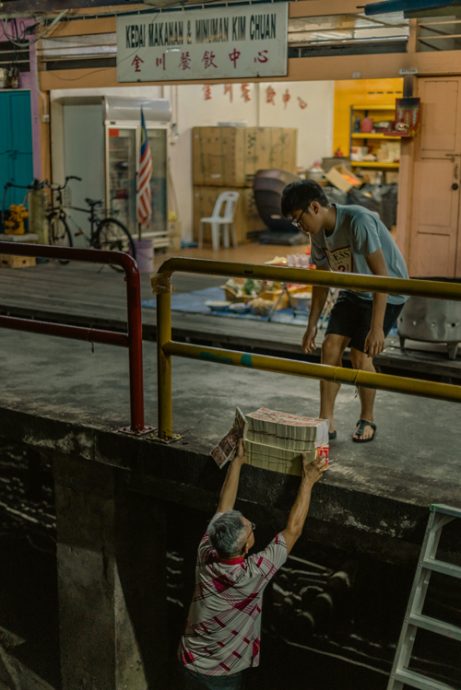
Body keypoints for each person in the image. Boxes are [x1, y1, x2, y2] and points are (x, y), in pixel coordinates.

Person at [178, 441, 328, 689]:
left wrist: (237, 462)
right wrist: (308, 481)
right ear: (246, 547)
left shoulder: (206, 551)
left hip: (188, 661)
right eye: (250, 529)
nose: (250, 525)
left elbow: (223, 507)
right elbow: (294, 529)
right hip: (220, 676)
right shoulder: (252, 575)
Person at [281, 180, 408, 443]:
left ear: (314, 207)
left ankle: (367, 418)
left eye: (298, 220)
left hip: (386, 291)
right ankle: (326, 420)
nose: (299, 227)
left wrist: (376, 329)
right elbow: (321, 281)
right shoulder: (316, 233)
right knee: (329, 348)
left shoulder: (357, 221)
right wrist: (311, 324)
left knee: (361, 356)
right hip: (354, 289)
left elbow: (381, 277)